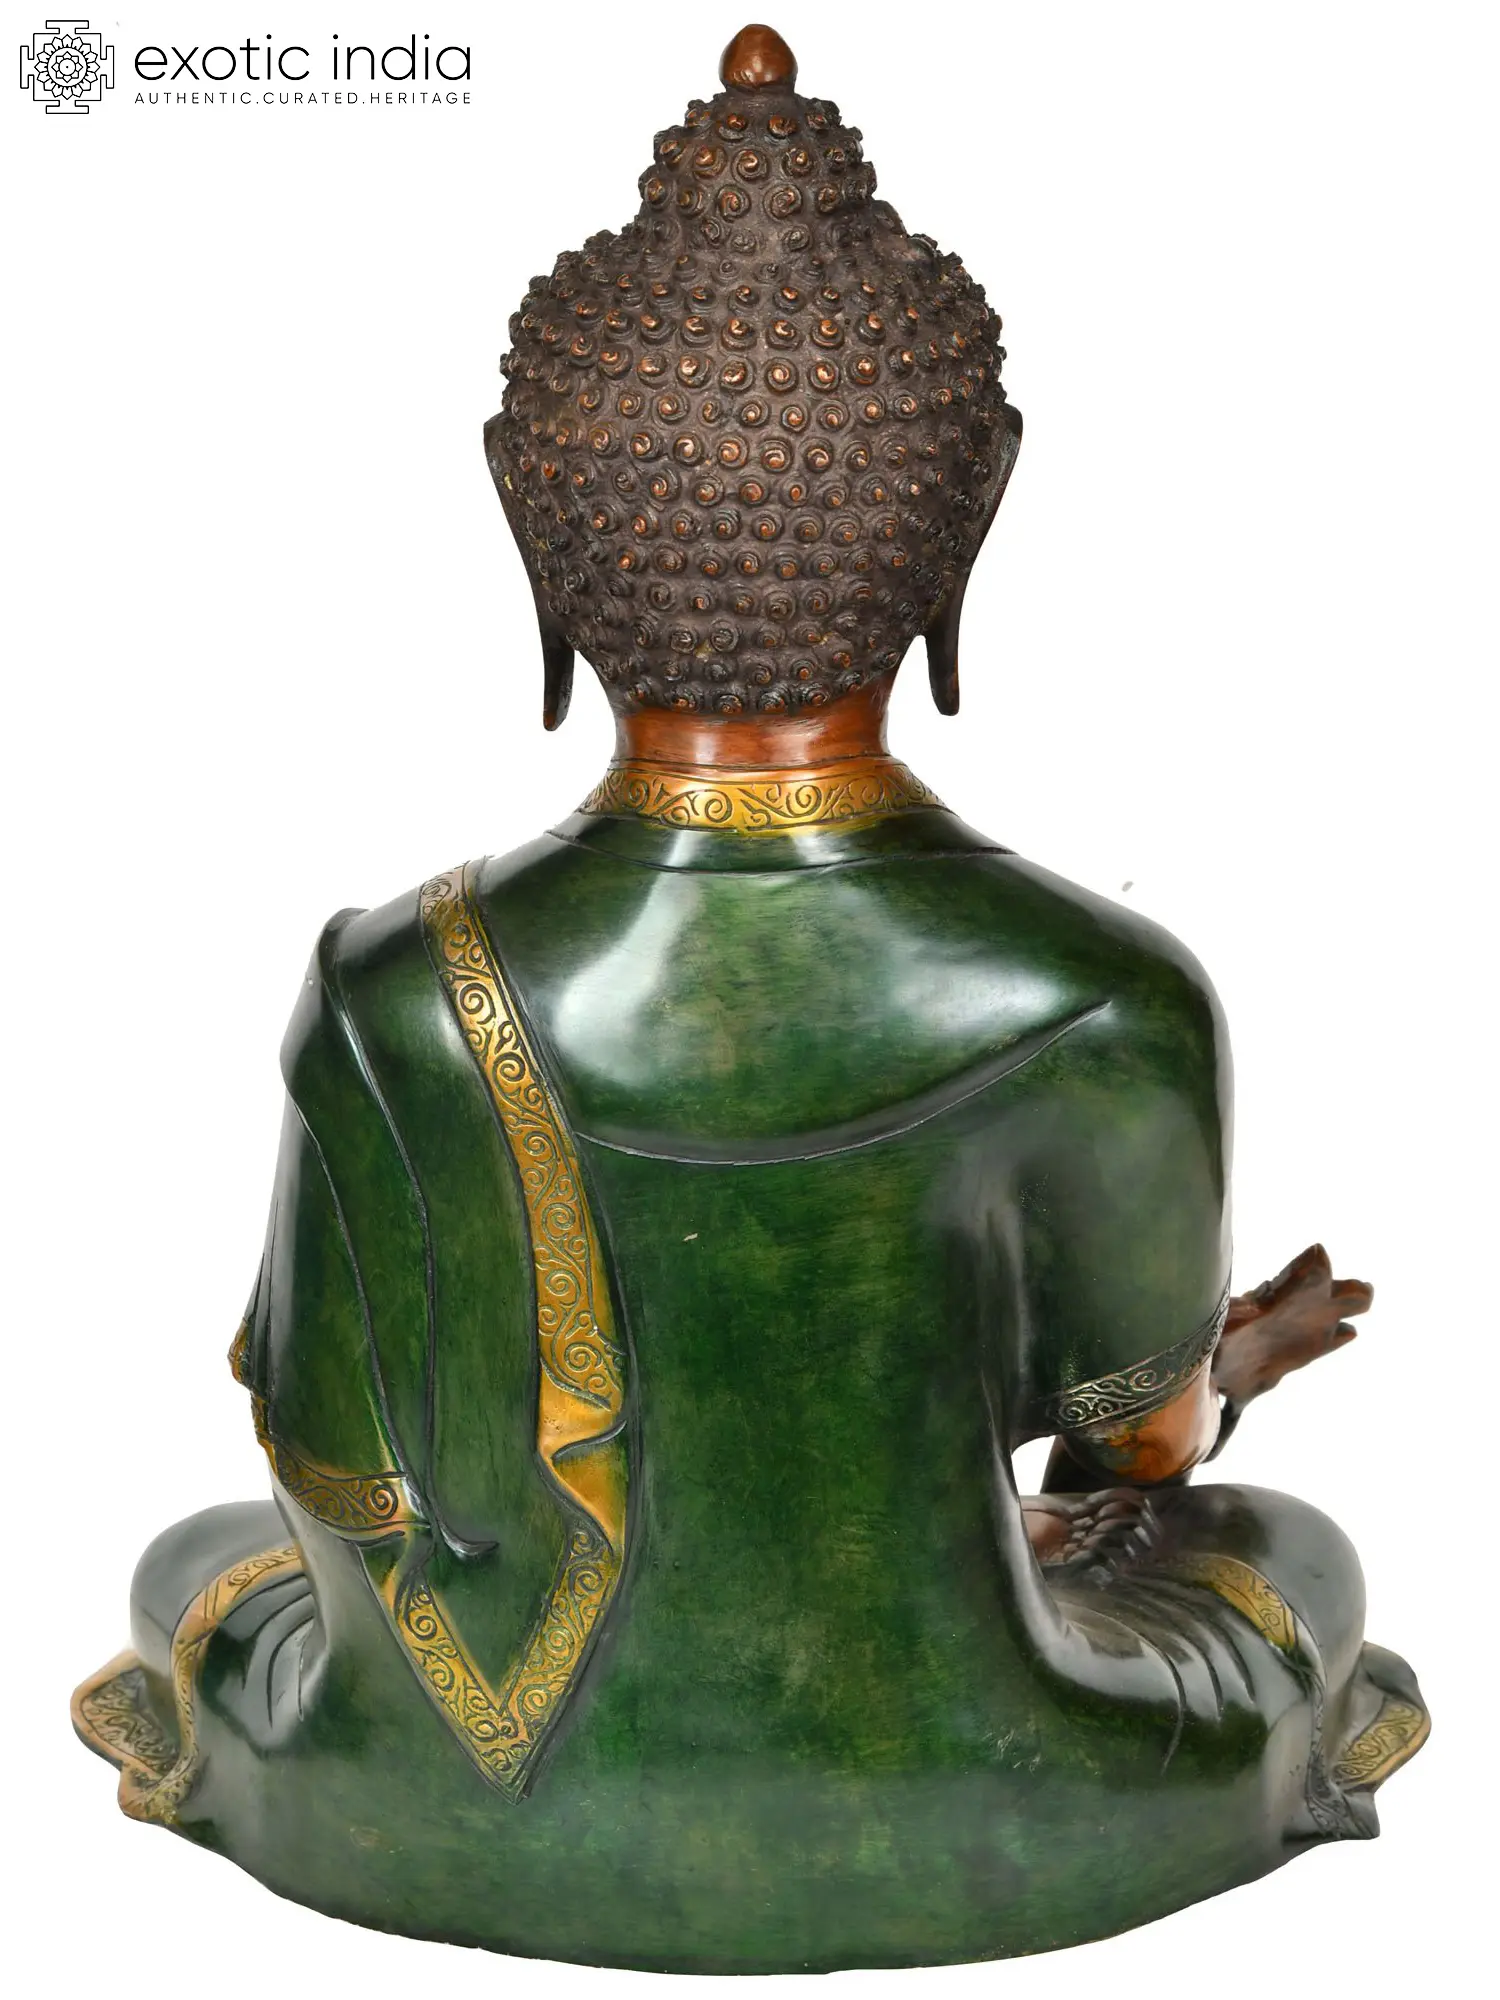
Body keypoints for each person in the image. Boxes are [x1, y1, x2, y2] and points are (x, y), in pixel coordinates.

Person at [73, 26, 1427, 1971]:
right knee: (1288, 1558)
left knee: (195, 1573)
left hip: (466, 1801)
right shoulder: (1105, 997)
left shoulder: (391, 992)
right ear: (975, 511)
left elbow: (347, 1498)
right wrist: (1222, 1367)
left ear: (528, 520)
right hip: (984, 1787)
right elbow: (1132, 1460)